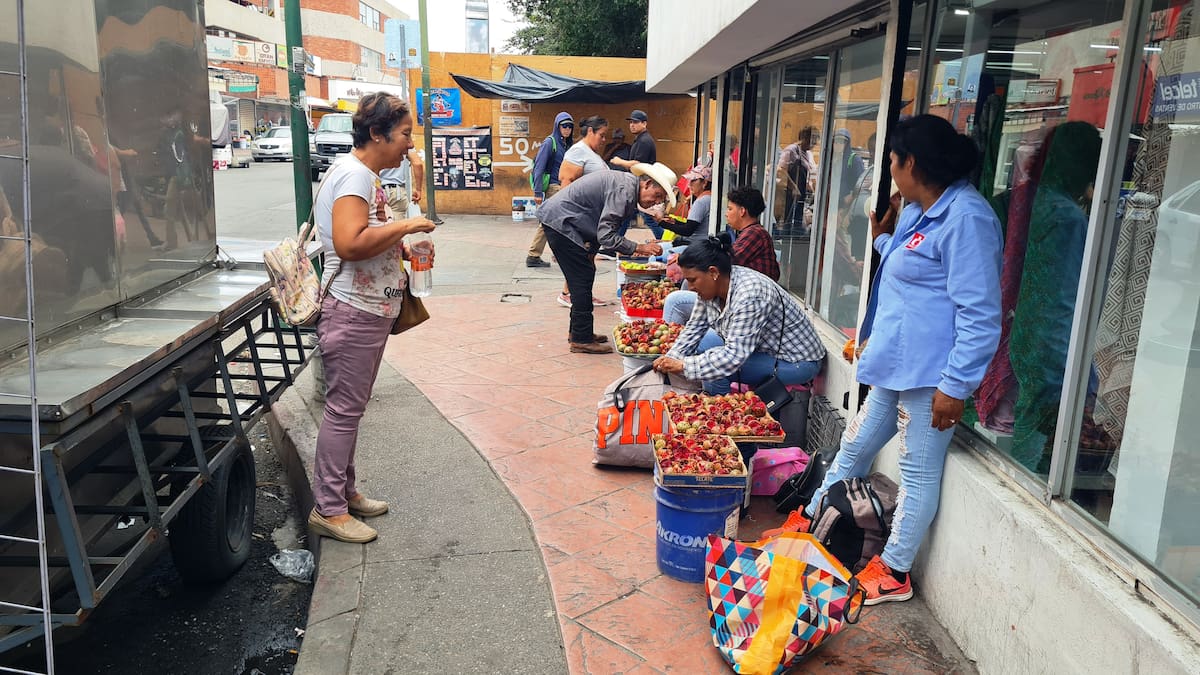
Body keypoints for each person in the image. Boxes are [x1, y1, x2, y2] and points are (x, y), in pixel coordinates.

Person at [788, 114, 1002, 605]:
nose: (888, 170)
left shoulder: (968, 219)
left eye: (891, 161)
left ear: (912, 163)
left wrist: (956, 385)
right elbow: (909, 265)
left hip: (931, 377)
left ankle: (896, 570)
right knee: (856, 444)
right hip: (894, 364)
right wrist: (881, 236)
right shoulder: (918, 209)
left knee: (918, 472)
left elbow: (981, 313)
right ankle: (817, 516)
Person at [308, 92, 437, 544]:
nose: (409, 145)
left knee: (350, 409)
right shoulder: (355, 177)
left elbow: (364, 240)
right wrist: (407, 227)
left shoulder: (363, 175)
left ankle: (343, 492)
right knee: (343, 411)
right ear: (378, 133)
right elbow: (348, 243)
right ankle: (329, 508)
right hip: (353, 311)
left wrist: (401, 248)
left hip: (366, 309)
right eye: (404, 135)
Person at [652, 236, 825, 395]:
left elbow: (732, 357)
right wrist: (671, 358)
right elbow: (694, 328)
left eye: (692, 280)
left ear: (713, 272)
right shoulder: (713, 288)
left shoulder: (751, 295)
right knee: (702, 348)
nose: (689, 287)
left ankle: (719, 409)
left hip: (797, 362)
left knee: (712, 365)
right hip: (762, 349)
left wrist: (683, 365)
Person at [538, 162, 675, 353]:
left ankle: (579, 331)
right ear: (646, 184)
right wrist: (639, 248)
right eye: (657, 196)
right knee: (581, 278)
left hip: (564, 222)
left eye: (661, 200)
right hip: (561, 223)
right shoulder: (625, 192)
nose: (656, 202)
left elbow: (601, 227)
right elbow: (606, 235)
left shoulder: (628, 186)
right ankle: (581, 338)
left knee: (583, 275)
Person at [662, 186, 780, 324]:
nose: (726, 214)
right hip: (739, 300)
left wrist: (691, 259)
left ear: (742, 211)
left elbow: (726, 261)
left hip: (750, 306)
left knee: (675, 301)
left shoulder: (755, 234)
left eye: (730, 209)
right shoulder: (749, 232)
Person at [555, 116, 611, 307]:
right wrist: (570, 218)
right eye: (601, 135)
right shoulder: (578, 151)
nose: (604, 140)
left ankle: (583, 293)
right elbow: (566, 181)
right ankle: (568, 294)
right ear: (590, 132)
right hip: (581, 216)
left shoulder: (590, 153)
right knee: (581, 258)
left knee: (588, 258)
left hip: (593, 216)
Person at [525, 112, 574, 268]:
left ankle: (541, 255)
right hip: (554, 188)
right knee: (551, 222)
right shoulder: (550, 142)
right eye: (564, 126)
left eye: (570, 126)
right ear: (557, 126)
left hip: (564, 188)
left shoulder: (566, 144)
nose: (567, 129)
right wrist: (538, 192)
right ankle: (535, 255)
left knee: (557, 222)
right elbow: (538, 168)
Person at [610, 110, 664, 240]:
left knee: (647, 217)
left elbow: (638, 164)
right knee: (627, 215)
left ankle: (666, 240)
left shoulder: (644, 141)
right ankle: (612, 244)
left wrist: (619, 161)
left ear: (644, 123)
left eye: (635, 122)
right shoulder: (640, 139)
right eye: (631, 122)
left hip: (643, 186)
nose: (632, 125)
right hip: (638, 185)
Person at [778, 126, 817, 230]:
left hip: (802, 193)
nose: (815, 143)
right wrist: (794, 187)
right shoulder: (791, 150)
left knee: (798, 222)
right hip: (790, 194)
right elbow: (781, 170)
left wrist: (813, 188)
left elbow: (811, 173)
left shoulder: (808, 154)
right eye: (813, 139)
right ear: (804, 137)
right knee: (788, 221)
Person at [379, 148, 424, 215]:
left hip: (380, 191)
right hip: (397, 192)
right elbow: (417, 164)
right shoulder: (404, 142)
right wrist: (418, 189)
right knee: (398, 223)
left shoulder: (376, 141)